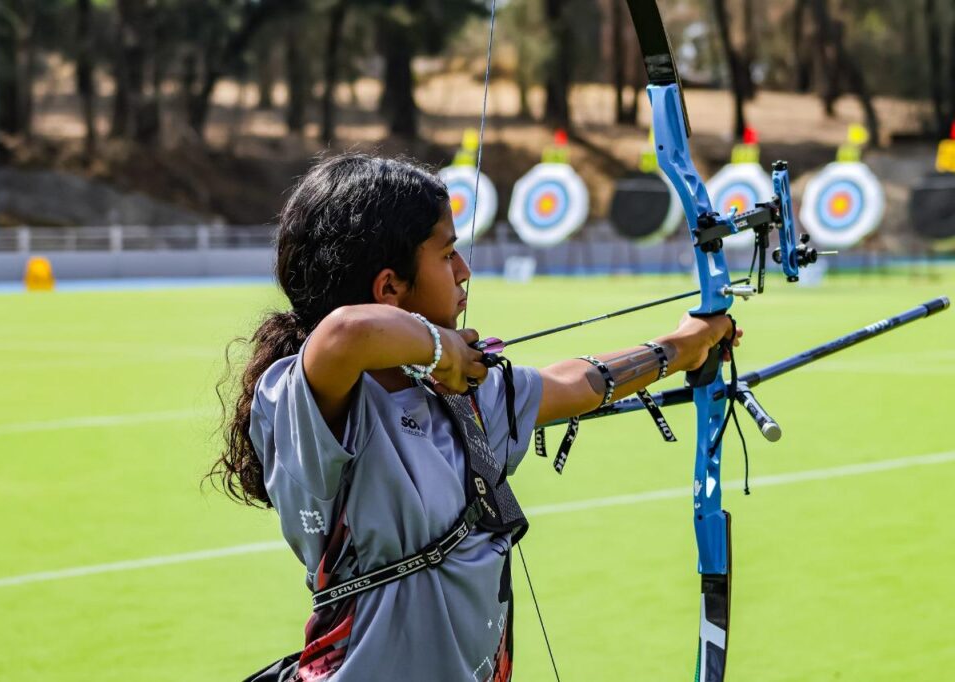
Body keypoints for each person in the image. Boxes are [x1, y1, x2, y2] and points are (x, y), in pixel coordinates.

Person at [212, 154, 740, 681]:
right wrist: (441, 348)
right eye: (447, 254)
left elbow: (574, 383)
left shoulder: (459, 395)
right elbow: (346, 333)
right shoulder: (315, 404)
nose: (464, 270)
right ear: (390, 287)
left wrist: (682, 346)